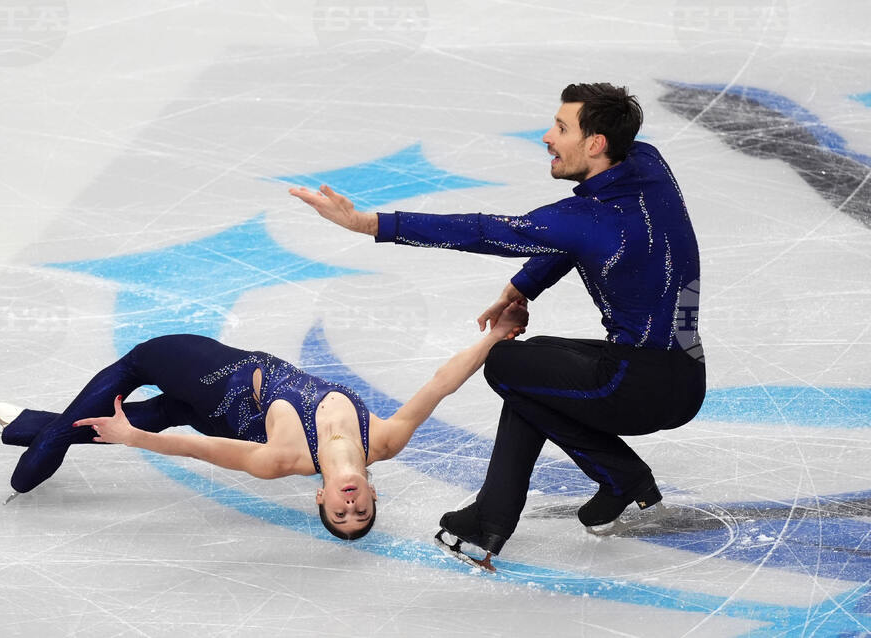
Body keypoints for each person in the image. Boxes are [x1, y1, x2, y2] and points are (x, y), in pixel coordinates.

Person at [290, 82, 706, 559]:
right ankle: (509, 512)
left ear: (595, 144)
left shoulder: (587, 218)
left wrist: (369, 224)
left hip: (635, 388)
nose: (548, 137)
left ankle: (610, 479)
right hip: (685, 375)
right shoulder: (648, 162)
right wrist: (522, 287)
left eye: (561, 128)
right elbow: (579, 239)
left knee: (506, 364)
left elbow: (485, 231)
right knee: (532, 365)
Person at [0, 302, 527, 541]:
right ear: (372, 495)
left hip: (214, 382)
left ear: (320, 498)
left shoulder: (283, 460)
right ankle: (22, 426)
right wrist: (497, 335)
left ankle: (38, 446)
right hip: (198, 405)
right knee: (157, 408)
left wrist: (133, 438)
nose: (350, 506)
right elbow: (441, 384)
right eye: (360, 512)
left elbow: (199, 450)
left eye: (340, 514)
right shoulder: (385, 440)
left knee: (140, 359)